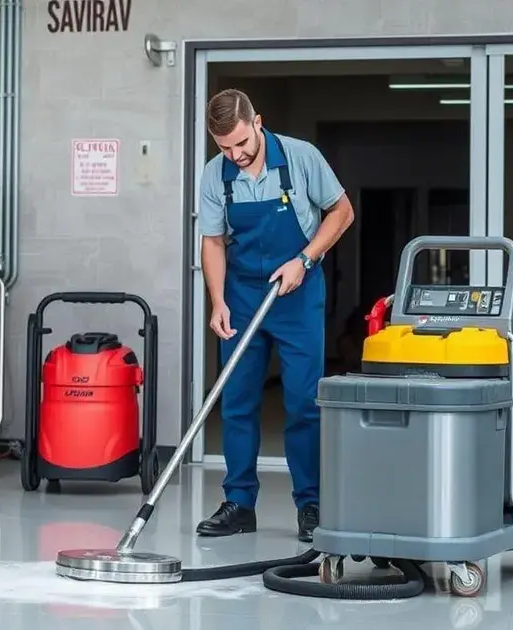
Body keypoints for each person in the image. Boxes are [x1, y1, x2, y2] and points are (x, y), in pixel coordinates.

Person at [195, 89, 355, 542]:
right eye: (225, 147)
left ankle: (311, 504)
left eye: (241, 143)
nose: (236, 155)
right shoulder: (215, 174)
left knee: (303, 401)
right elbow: (213, 241)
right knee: (236, 401)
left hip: (297, 293)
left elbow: (342, 212)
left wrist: (304, 259)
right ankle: (239, 503)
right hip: (243, 295)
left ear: (258, 122)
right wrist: (218, 300)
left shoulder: (301, 157)